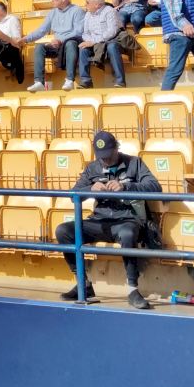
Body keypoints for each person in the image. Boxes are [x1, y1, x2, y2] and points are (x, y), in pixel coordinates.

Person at [55, 131, 161, 310]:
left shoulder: (134, 163)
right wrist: (90, 189)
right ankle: (84, 284)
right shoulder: (92, 168)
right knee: (63, 231)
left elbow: (155, 187)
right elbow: (74, 195)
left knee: (127, 234)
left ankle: (133, 290)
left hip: (127, 219)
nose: (105, 160)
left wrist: (126, 187)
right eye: (101, 156)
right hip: (99, 220)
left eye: (108, 155)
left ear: (117, 148)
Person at [23, 0, 85, 92]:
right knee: (39, 47)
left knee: (70, 43)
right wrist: (25, 39)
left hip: (71, 45)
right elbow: (42, 30)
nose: (52, 0)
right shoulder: (52, 13)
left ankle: (69, 80)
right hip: (57, 45)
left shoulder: (77, 11)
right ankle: (39, 82)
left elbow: (78, 32)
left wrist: (61, 40)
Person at [78, 0, 126, 88]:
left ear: (97, 5)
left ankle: (120, 81)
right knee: (83, 48)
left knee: (112, 47)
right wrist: (89, 41)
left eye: (87, 2)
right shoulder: (88, 14)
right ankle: (85, 81)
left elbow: (112, 32)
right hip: (95, 42)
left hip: (111, 40)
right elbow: (85, 33)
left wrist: (93, 41)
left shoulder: (110, 11)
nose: (85, 5)